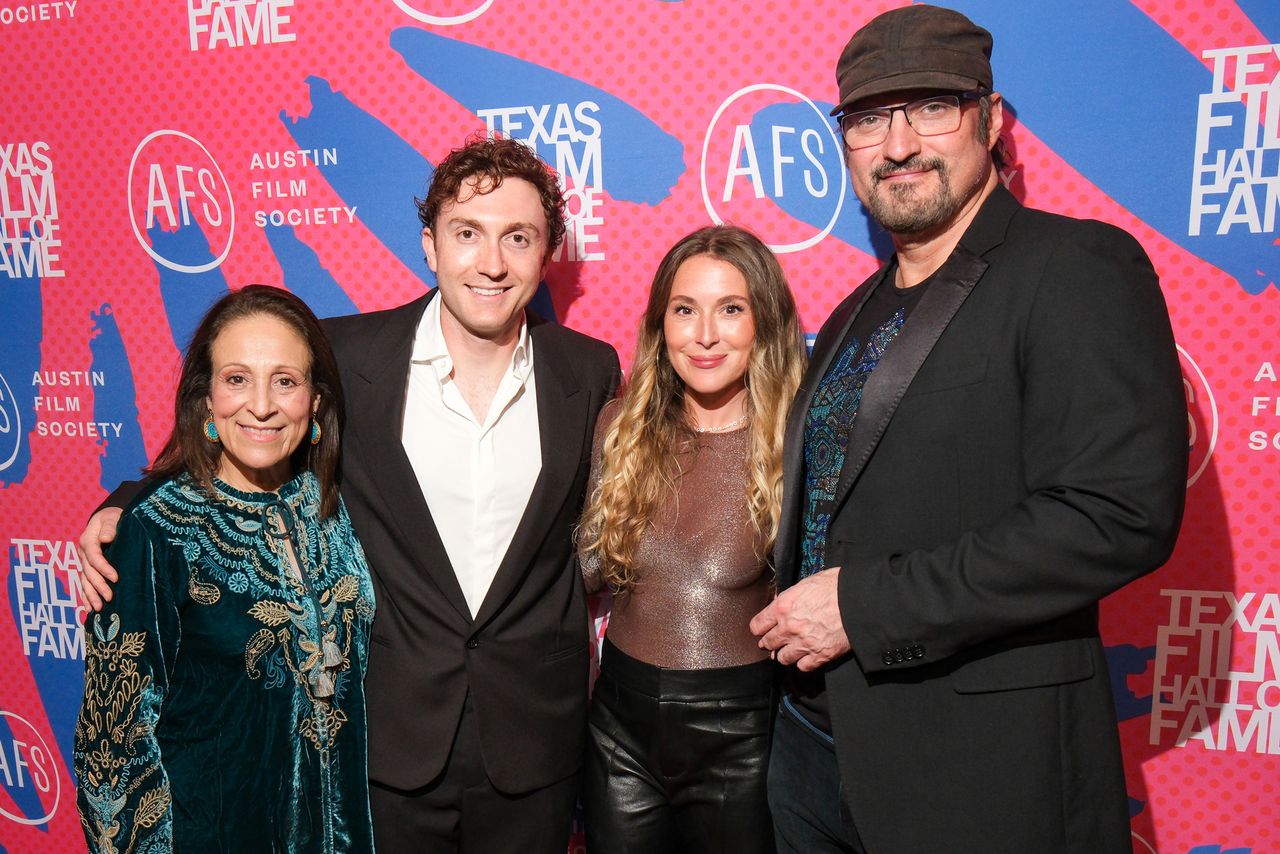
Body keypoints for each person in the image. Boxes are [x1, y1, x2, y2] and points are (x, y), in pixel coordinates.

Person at [77, 137, 621, 853]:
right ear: (429, 244)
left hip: (535, 747)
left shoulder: (586, 370)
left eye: (517, 238)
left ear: (546, 252)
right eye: (467, 234)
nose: (491, 262)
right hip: (388, 748)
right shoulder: (351, 356)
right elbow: (243, 433)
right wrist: (123, 505)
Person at [748, 6, 1188, 854]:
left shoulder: (1075, 267)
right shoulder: (849, 312)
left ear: (991, 120)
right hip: (812, 747)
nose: (900, 143)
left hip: (977, 768)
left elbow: (1115, 513)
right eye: (870, 118)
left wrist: (864, 605)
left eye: (931, 107)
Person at [73, 285, 376, 852]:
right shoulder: (155, 530)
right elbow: (110, 750)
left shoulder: (335, 503)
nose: (260, 405)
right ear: (207, 397)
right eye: (237, 378)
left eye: (284, 381)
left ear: (314, 401)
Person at [577, 225, 805, 853]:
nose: (705, 335)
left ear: (765, 322)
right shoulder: (618, 427)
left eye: (731, 309)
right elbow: (587, 571)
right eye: (685, 310)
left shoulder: (796, 442)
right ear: (661, 324)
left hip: (743, 734)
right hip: (617, 728)